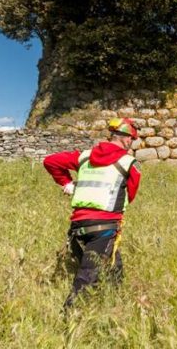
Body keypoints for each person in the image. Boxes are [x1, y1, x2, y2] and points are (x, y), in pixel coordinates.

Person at [43, 118, 142, 309]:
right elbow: (131, 194)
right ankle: (69, 318)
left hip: (79, 226)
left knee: (113, 265)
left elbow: (50, 161)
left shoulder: (84, 157)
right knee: (87, 276)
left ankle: (116, 303)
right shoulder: (129, 163)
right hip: (105, 226)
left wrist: (67, 183)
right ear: (127, 139)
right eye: (132, 140)